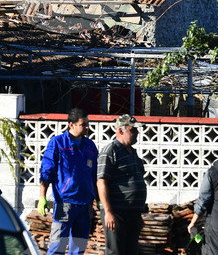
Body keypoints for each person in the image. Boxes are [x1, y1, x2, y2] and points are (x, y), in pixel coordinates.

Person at [38, 108, 99, 255]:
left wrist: (99, 200)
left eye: (87, 123)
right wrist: (42, 197)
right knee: (57, 246)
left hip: (85, 205)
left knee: (78, 249)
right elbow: (47, 171)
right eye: (83, 124)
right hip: (64, 203)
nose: (87, 127)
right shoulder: (58, 143)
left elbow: (96, 176)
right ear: (71, 125)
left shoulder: (90, 146)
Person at [96, 114, 147, 255]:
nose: (136, 133)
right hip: (117, 212)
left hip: (133, 213)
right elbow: (101, 182)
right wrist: (108, 212)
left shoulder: (133, 153)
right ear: (120, 131)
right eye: (133, 130)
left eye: (137, 130)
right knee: (115, 252)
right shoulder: (110, 151)